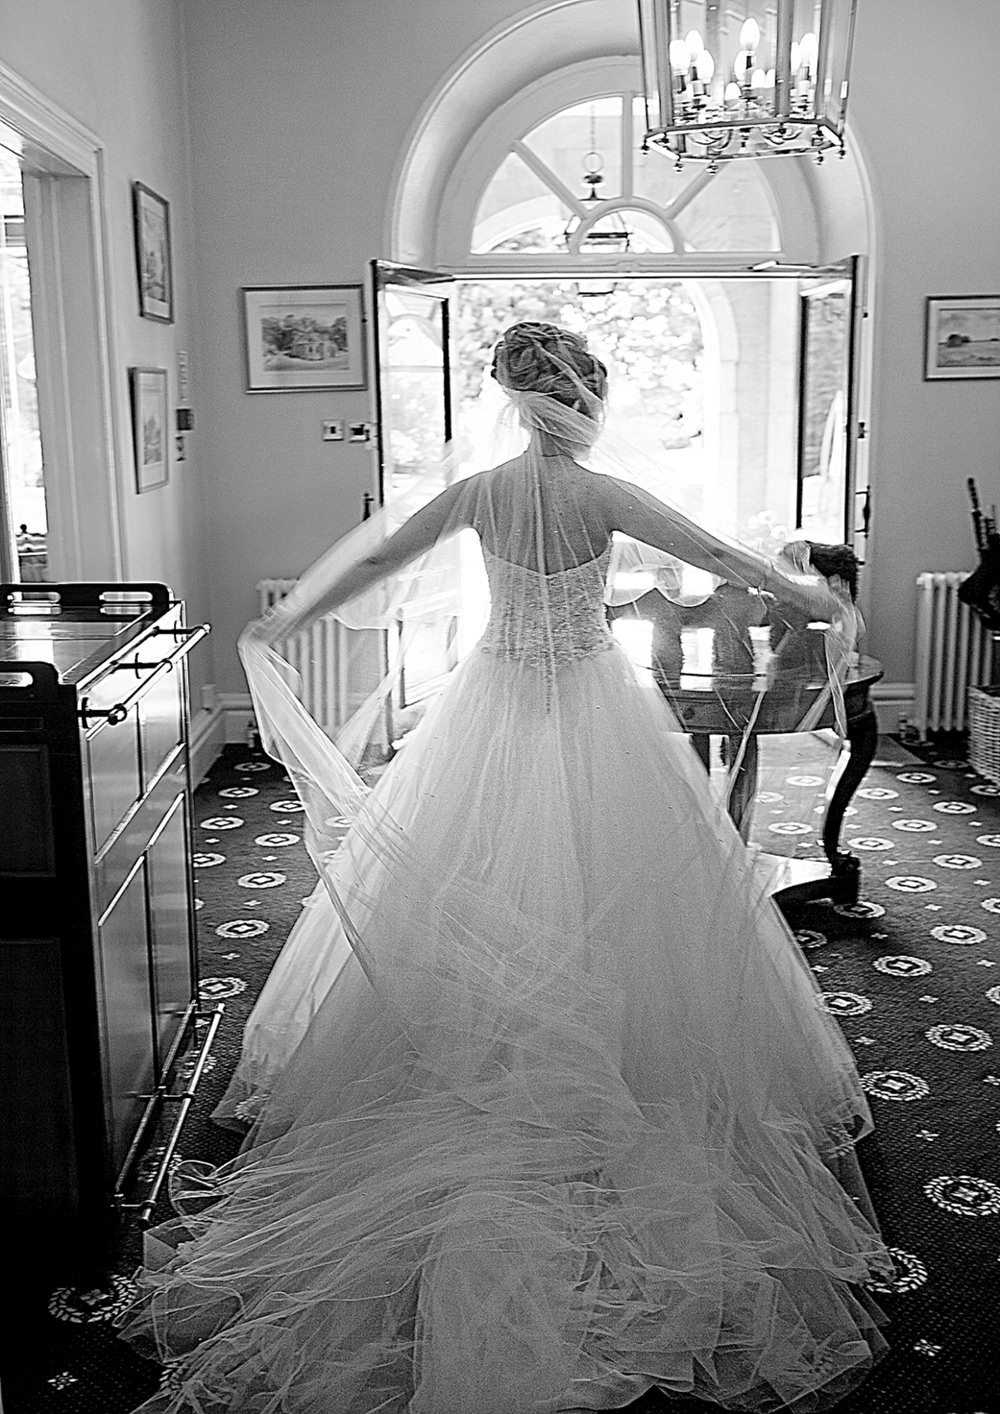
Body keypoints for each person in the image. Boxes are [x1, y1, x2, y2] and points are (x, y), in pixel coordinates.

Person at [123, 322, 890, 1413]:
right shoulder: (607, 493)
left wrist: (291, 613)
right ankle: (620, 1070)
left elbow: (379, 559)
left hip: (490, 705)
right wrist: (813, 599)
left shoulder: (482, 491)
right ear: (584, 403)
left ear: (510, 401)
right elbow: (720, 558)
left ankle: (469, 1058)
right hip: (588, 703)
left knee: (468, 884)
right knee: (623, 896)